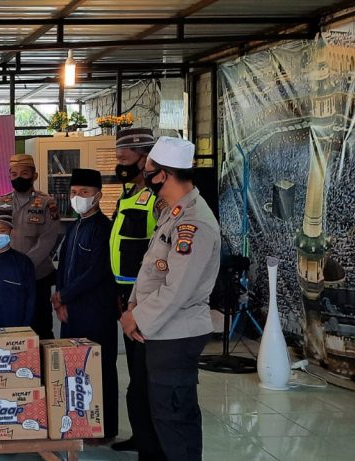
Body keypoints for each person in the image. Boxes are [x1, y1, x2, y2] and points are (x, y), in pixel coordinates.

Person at [120, 137, 219, 461]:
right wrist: (132, 305)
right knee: (154, 412)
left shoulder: (193, 221)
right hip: (158, 329)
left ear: (163, 174)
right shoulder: (171, 212)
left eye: (148, 169)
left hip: (176, 334)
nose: (143, 174)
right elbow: (150, 267)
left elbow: (178, 289)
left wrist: (136, 317)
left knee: (174, 418)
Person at [109, 128, 168, 457]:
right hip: (125, 293)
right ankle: (140, 435)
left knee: (146, 378)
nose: (120, 165)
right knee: (134, 374)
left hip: (146, 297)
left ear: (145, 159)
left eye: (124, 159)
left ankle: (153, 444)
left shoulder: (159, 200)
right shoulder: (129, 194)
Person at [53, 169, 119, 443]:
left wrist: (64, 296)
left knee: (99, 368)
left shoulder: (104, 228)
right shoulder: (73, 227)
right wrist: (59, 298)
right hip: (70, 311)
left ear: (98, 196)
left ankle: (104, 429)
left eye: (84, 192)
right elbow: (62, 267)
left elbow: (96, 272)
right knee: (74, 369)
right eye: (73, 192)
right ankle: (78, 424)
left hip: (96, 311)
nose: (78, 197)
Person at [0, 154, 59, 339]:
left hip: (37, 276)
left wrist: (23, 265)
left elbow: (48, 239)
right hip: (8, 275)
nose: (18, 177)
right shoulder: (0, 202)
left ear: (34, 175)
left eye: (24, 173)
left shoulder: (47, 203)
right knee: (11, 328)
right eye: (14, 174)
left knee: (40, 328)